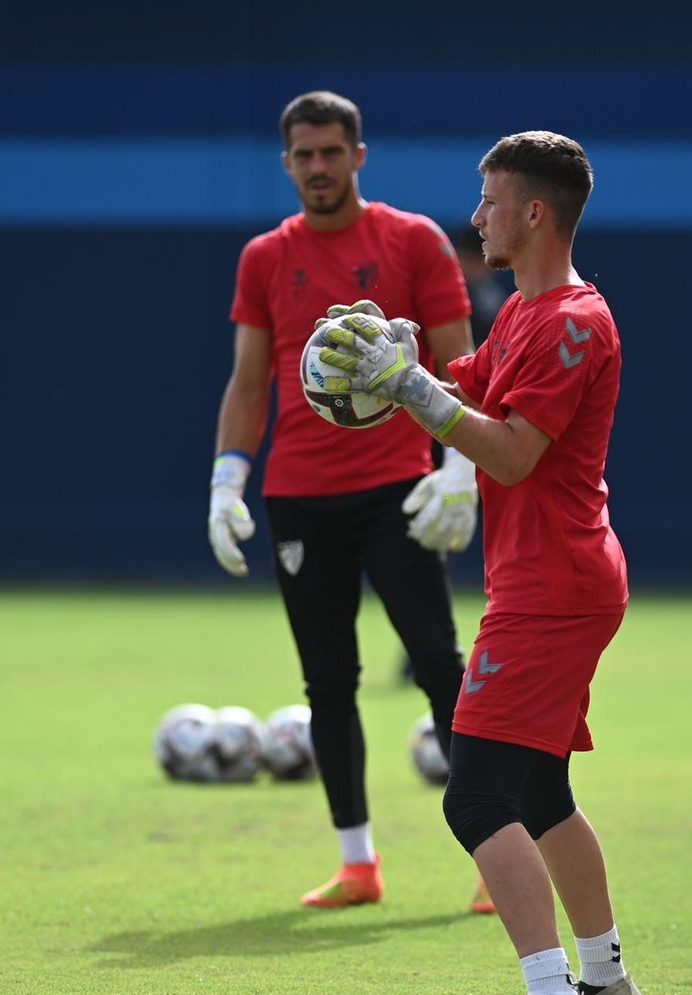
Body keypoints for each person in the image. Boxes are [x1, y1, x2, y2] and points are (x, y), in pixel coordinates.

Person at [315, 130, 645, 995]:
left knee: (474, 798)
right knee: (539, 791)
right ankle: (606, 984)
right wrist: (397, 359)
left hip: (552, 585)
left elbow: (511, 451)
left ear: (534, 212)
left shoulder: (573, 321)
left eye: (491, 202)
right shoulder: (529, 314)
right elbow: (469, 392)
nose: (477, 217)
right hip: (553, 576)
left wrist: (412, 389)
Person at [207, 90, 491, 913]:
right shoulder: (265, 256)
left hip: (396, 488)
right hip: (299, 496)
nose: (319, 167)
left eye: (332, 152)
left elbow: (461, 362)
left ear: (359, 156)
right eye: (304, 155)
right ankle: (357, 864)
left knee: (438, 663)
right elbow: (250, 381)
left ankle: (494, 853)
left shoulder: (413, 240)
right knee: (326, 680)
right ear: (286, 163)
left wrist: (460, 466)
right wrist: (226, 480)